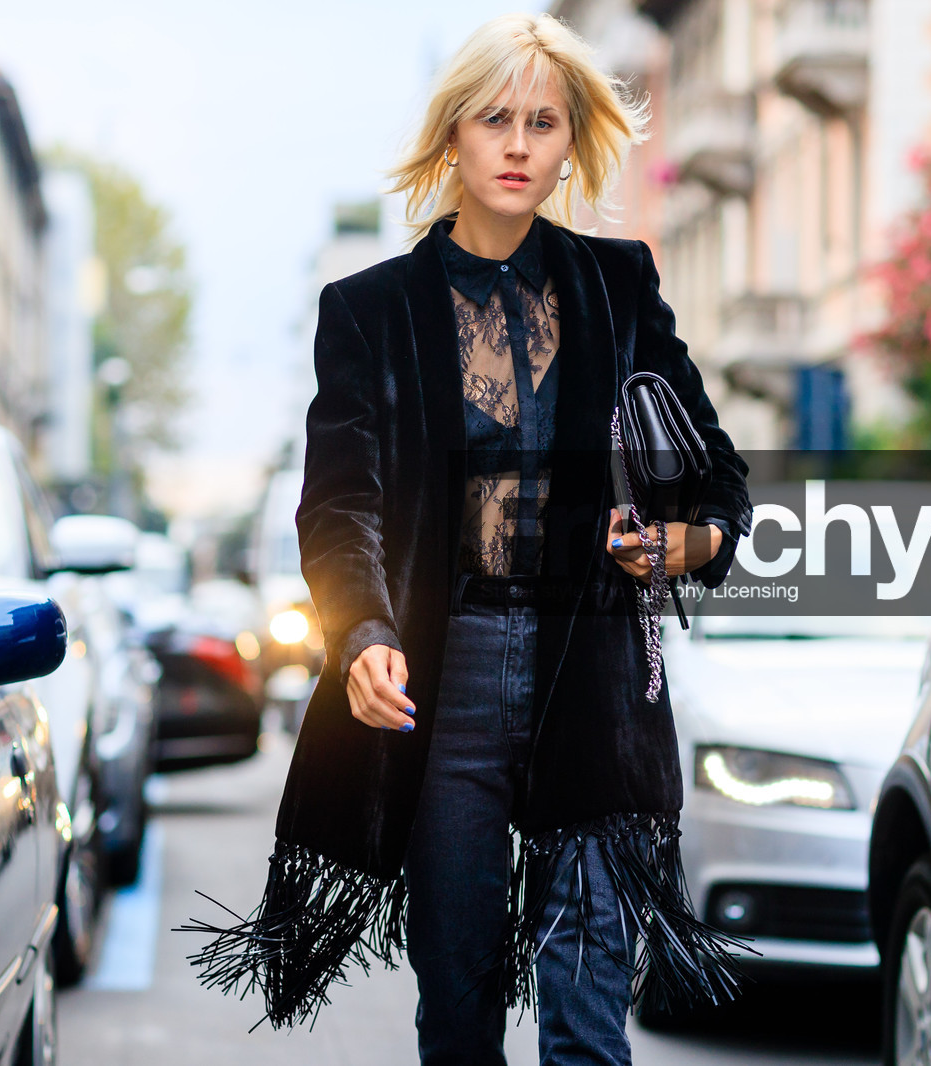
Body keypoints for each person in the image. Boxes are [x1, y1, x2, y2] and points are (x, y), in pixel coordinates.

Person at [185, 13, 753, 1065]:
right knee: (458, 1002)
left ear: (571, 142)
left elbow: (720, 476)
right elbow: (338, 507)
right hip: (447, 681)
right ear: (453, 134)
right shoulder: (369, 311)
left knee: (590, 1006)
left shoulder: (619, 284)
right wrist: (362, 635)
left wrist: (686, 545)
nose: (519, 145)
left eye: (544, 122)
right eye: (496, 119)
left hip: (592, 677)